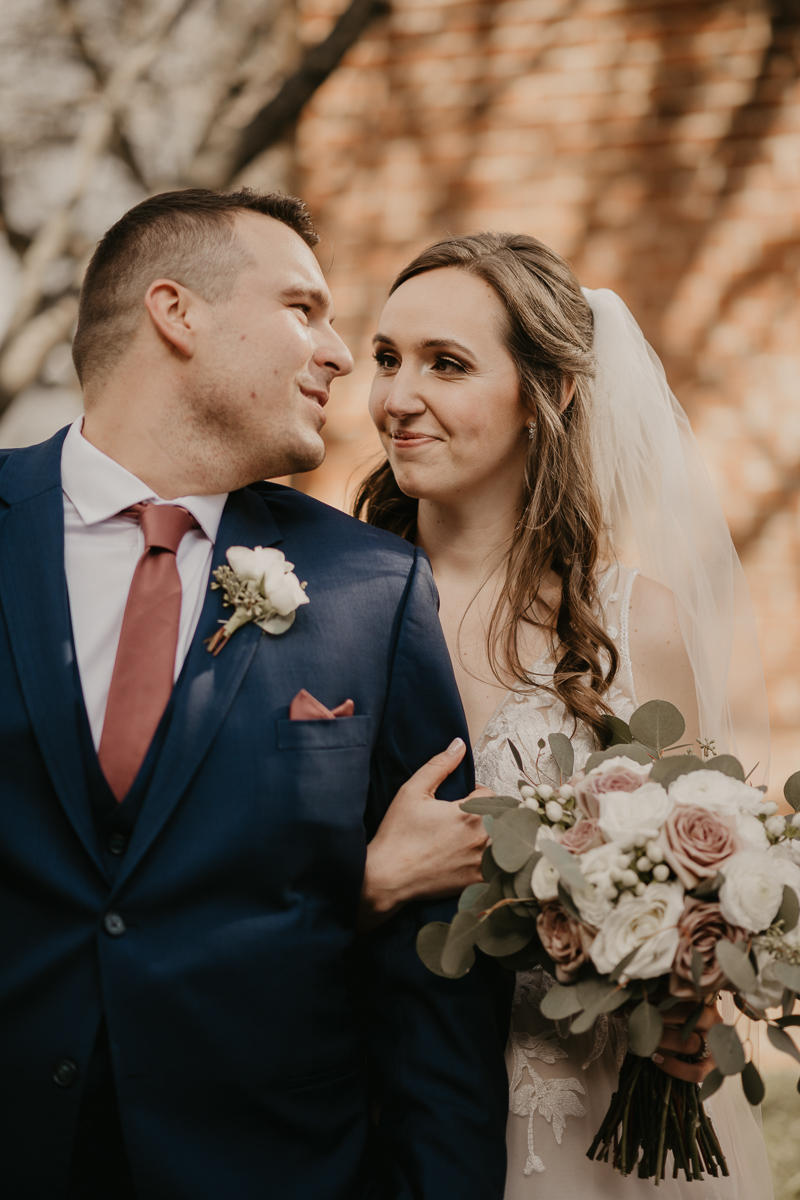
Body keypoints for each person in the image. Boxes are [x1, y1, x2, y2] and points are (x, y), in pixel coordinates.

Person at [0, 189, 512, 1200]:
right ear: (175, 312)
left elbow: (434, 972)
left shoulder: (370, 587)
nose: (334, 355)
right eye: (301, 309)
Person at [355, 231, 773, 1197]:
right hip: (384, 1106)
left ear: (552, 393)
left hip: (594, 1125)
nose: (395, 398)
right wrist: (371, 880)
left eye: (445, 364)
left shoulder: (635, 624)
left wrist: (690, 995)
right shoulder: (325, 601)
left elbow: (700, 891)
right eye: (386, 358)